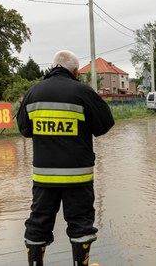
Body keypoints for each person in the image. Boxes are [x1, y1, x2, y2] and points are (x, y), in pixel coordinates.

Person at [17, 50, 115, 266]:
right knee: (81, 225)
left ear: (52, 67)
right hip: (77, 177)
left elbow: (24, 129)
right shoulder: (82, 92)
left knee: (38, 223)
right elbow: (105, 124)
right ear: (76, 71)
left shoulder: (33, 93)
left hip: (44, 177)